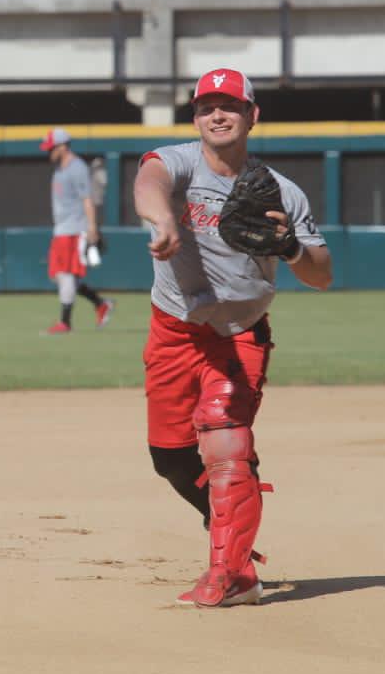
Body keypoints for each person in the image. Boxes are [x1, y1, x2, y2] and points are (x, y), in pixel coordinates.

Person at [131, 68, 333, 608]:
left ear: (252, 116)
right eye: (206, 107)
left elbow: (322, 274)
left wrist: (291, 249)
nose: (217, 115)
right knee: (171, 458)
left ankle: (233, 572)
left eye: (230, 106)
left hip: (240, 333)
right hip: (174, 330)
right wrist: (162, 223)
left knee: (225, 441)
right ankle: (228, 517)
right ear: (195, 118)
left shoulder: (282, 193)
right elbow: (148, 184)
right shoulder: (174, 163)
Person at [39, 127, 114, 335]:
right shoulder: (60, 168)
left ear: (63, 146)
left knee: (65, 275)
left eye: (52, 148)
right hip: (62, 229)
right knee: (60, 276)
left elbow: (87, 199)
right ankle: (100, 303)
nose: (49, 152)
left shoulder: (77, 167)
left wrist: (91, 228)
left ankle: (65, 322)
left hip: (73, 229)